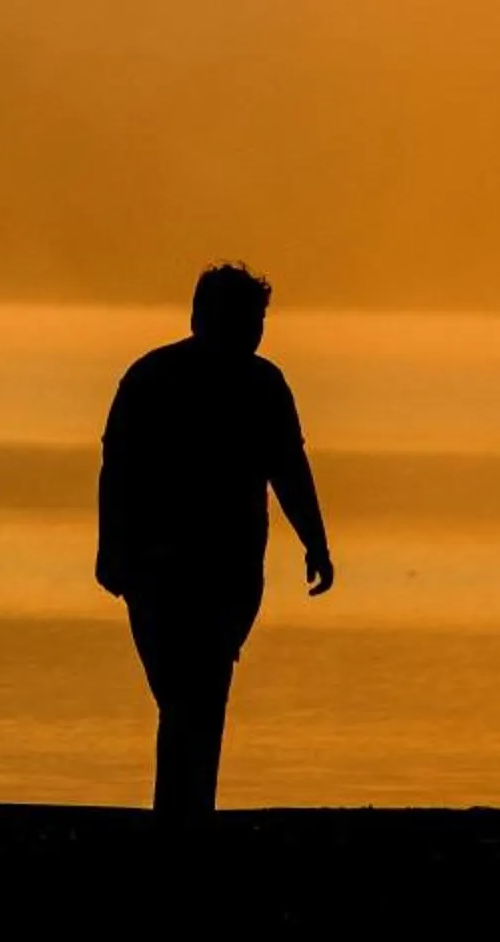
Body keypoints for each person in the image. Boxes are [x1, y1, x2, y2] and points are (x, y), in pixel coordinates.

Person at [97, 262, 333, 821]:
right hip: (164, 564)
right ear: (203, 317)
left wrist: (316, 541)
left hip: (223, 565)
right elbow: (119, 467)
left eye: (258, 319)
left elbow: (287, 469)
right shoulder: (157, 378)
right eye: (246, 318)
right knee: (190, 692)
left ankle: (182, 812)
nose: (254, 330)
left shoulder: (258, 383)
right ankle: (186, 812)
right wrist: (112, 547)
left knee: (197, 688)